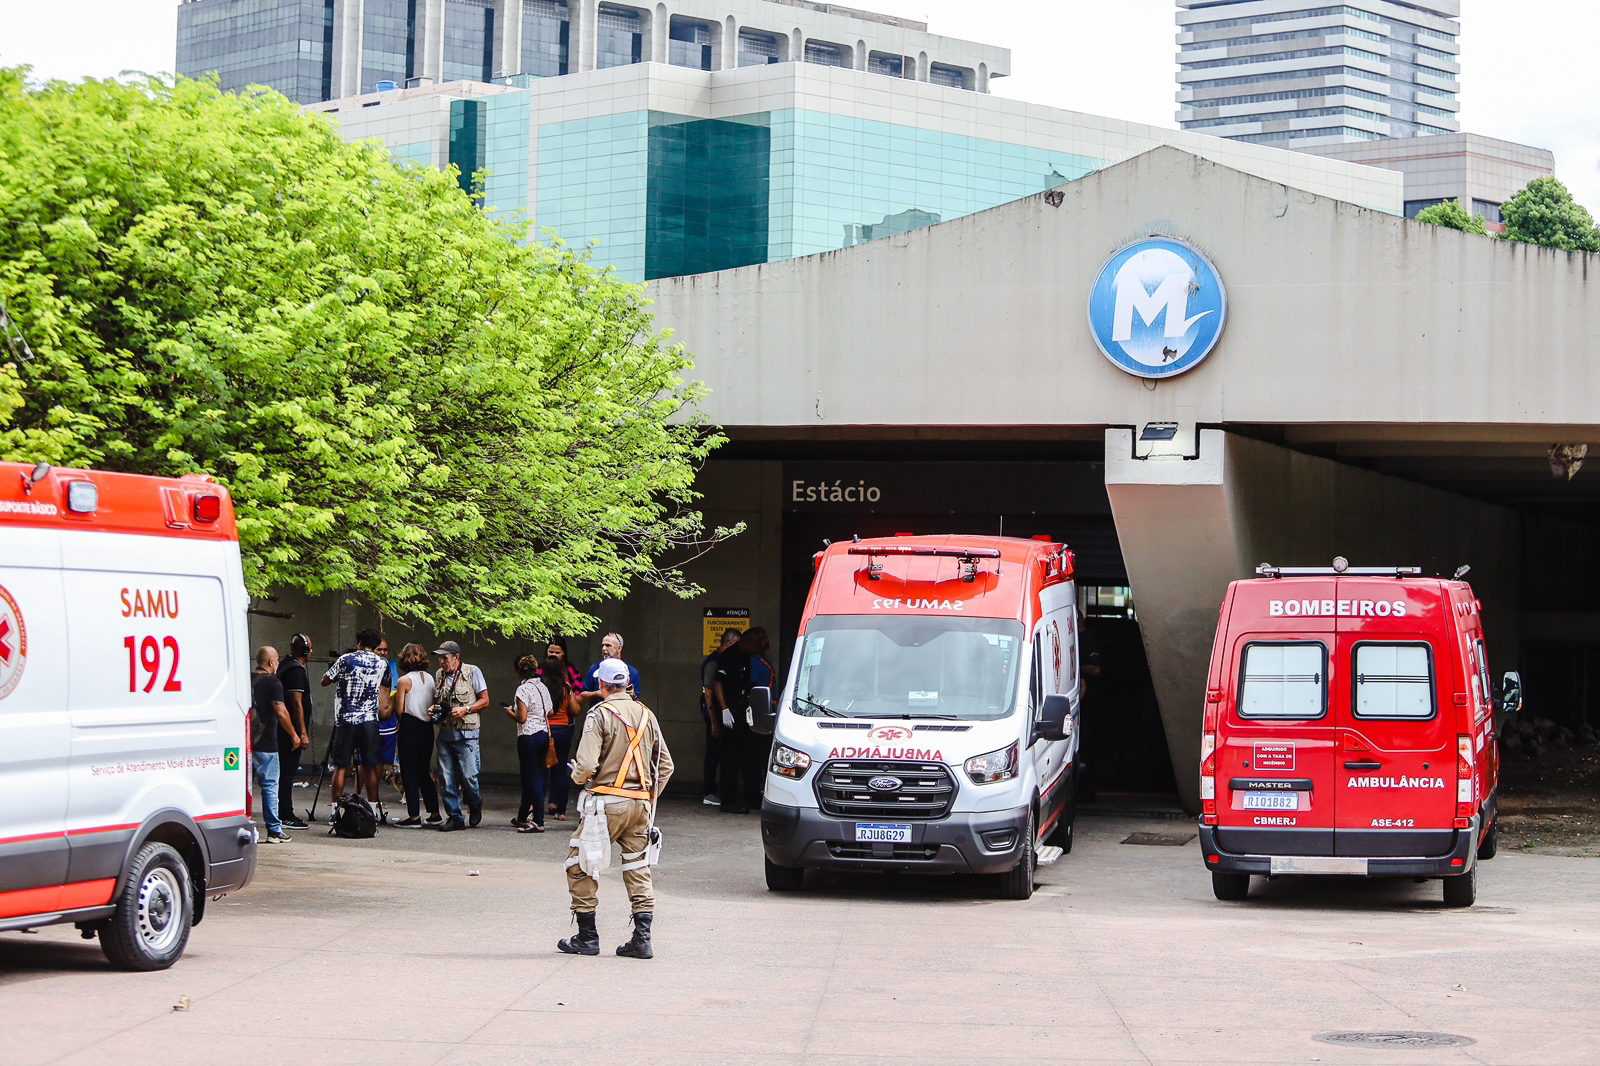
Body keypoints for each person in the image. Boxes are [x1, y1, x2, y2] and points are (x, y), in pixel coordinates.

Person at [558, 658, 674, 960]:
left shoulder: (599, 714)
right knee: (638, 867)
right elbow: (666, 766)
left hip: (605, 805)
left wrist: (577, 777)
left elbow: (584, 766)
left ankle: (587, 937)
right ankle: (642, 939)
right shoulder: (647, 715)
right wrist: (648, 797)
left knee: (578, 862)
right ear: (627, 684)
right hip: (640, 806)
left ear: (601, 685)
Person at [319, 628, 390, 816]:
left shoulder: (345, 660)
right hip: (369, 721)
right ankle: (372, 810)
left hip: (346, 719)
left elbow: (324, 681)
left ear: (359, 642)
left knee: (340, 766)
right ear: (375, 646)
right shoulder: (382, 663)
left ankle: (336, 811)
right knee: (371, 765)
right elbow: (385, 687)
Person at [433, 640, 489, 832]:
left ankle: (475, 804)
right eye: (440, 658)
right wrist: (435, 708)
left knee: (468, 777)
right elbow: (440, 700)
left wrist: (466, 709)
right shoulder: (439, 675)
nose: (441, 662)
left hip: (467, 734)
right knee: (446, 777)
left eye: (445, 658)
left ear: (457, 658)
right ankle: (455, 816)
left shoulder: (473, 672)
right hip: (446, 733)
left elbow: (485, 700)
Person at [391, 643, 441, 827]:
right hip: (426, 727)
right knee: (424, 771)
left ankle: (414, 816)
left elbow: (400, 708)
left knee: (409, 771)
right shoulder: (429, 678)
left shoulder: (404, 680)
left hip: (410, 726)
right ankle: (434, 813)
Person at [250, 646, 294, 844]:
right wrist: (294, 734)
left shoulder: (246, 679)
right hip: (266, 742)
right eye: (276, 660)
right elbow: (281, 710)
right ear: (270, 662)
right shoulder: (272, 682)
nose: (277, 664)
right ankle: (274, 830)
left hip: (245, 742)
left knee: (244, 786)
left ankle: (244, 825)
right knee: (269, 785)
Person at [508, 654, 552, 832]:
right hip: (543, 734)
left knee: (531, 778)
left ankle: (539, 821)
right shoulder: (543, 687)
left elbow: (522, 717)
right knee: (532, 777)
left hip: (528, 736)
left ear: (519, 672)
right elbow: (551, 710)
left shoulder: (522, 690)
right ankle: (522, 815)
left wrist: (509, 712)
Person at [275, 633, 314, 831]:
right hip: (290, 731)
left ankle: (281, 812)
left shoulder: (286, 665)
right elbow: (296, 703)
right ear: (306, 650)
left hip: (284, 730)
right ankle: (285, 813)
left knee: (283, 772)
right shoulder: (295, 671)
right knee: (287, 773)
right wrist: (301, 733)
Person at [701, 627, 741, 806]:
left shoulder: (722, 659)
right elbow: (709, 694)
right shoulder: (714, 662)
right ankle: (709, 791)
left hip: (718, 713)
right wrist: (715, 722)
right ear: (729, 642)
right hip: (713, 714)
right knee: (713, 753)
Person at [542, 647, 582, 822]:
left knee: (541, 770)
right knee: (560, 772)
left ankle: (535, 807)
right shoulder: (566, 688)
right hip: (564, 730)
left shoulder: (540, 687)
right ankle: (561, 810)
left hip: (545, 730)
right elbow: (576, 710)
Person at [374, 636, 401, 806]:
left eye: (385, 650)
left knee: (385, 760)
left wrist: (398, 717)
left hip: (388, 719)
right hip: (370, 720)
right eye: (379, 649)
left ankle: (373, 800)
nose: (383, 653)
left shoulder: (392, 666)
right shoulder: (368, 665)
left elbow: (396, 692)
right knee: (366, 761)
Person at [580, 632, 640, 703]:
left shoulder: (632, 672)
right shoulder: (595, 669)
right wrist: (598, 693)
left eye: (608, 645)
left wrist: (633, 696)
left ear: (619, 648)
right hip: (600, 712)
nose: (604, 648)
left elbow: (637, 701)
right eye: (603, 645)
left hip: (622, 712)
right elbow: (582, 696)